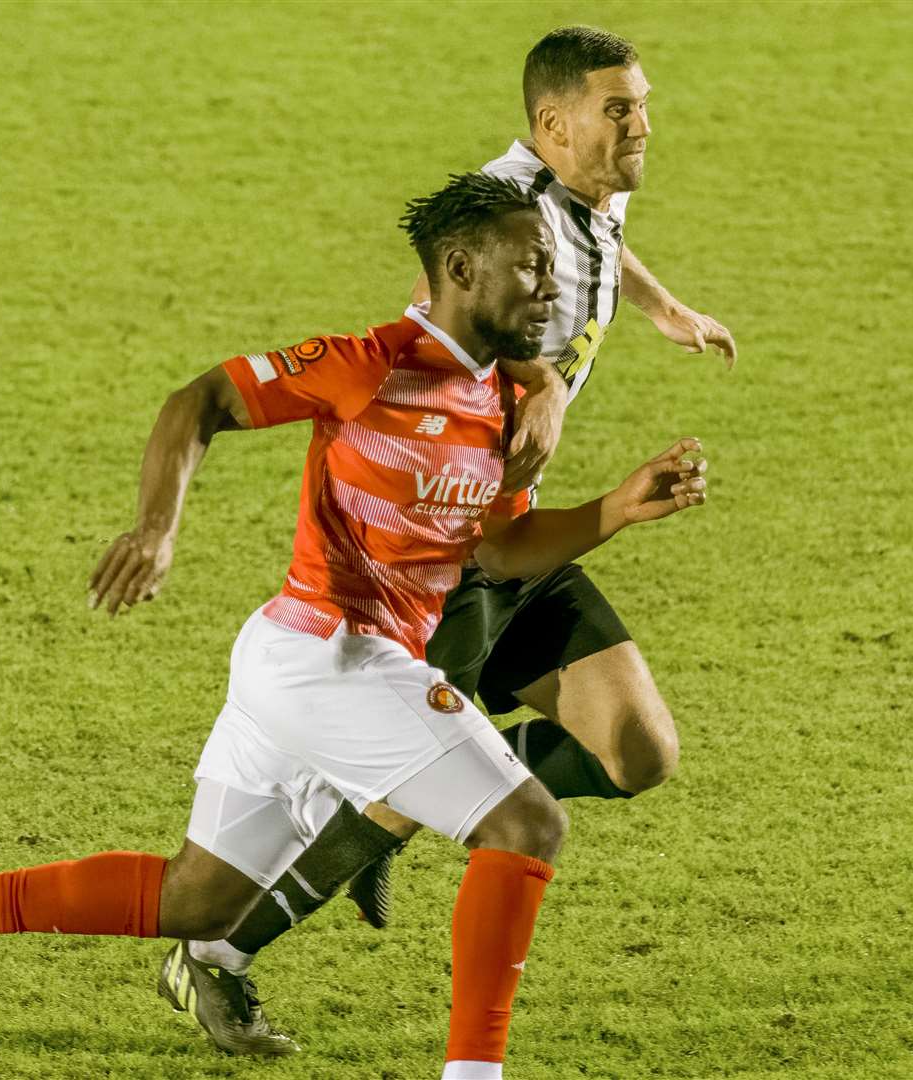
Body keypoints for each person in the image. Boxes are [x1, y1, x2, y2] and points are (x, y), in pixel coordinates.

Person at [0, 172, 709, 1080]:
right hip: (333, 657)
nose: (551, 291)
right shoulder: (372, 363)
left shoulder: (505, 405)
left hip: (304, 662)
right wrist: (156, 529)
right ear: (459, 268)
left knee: (199, 900)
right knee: (526, 827)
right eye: (531, 269)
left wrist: (616, 509)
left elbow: (500, 550)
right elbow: (199, 401)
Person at [156, 25, 739, 1054]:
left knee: (638, 752)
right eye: (619, 110)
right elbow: (435, 334)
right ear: (550, 128)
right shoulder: (504, 215)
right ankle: (219, 954)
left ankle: (433, 796)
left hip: (524, 533)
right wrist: (542, 379)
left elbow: (605, 243)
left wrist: (663, 309)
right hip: (452, 555)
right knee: (386, 796)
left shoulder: (597, 183)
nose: (642, 125)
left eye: (640, 104)